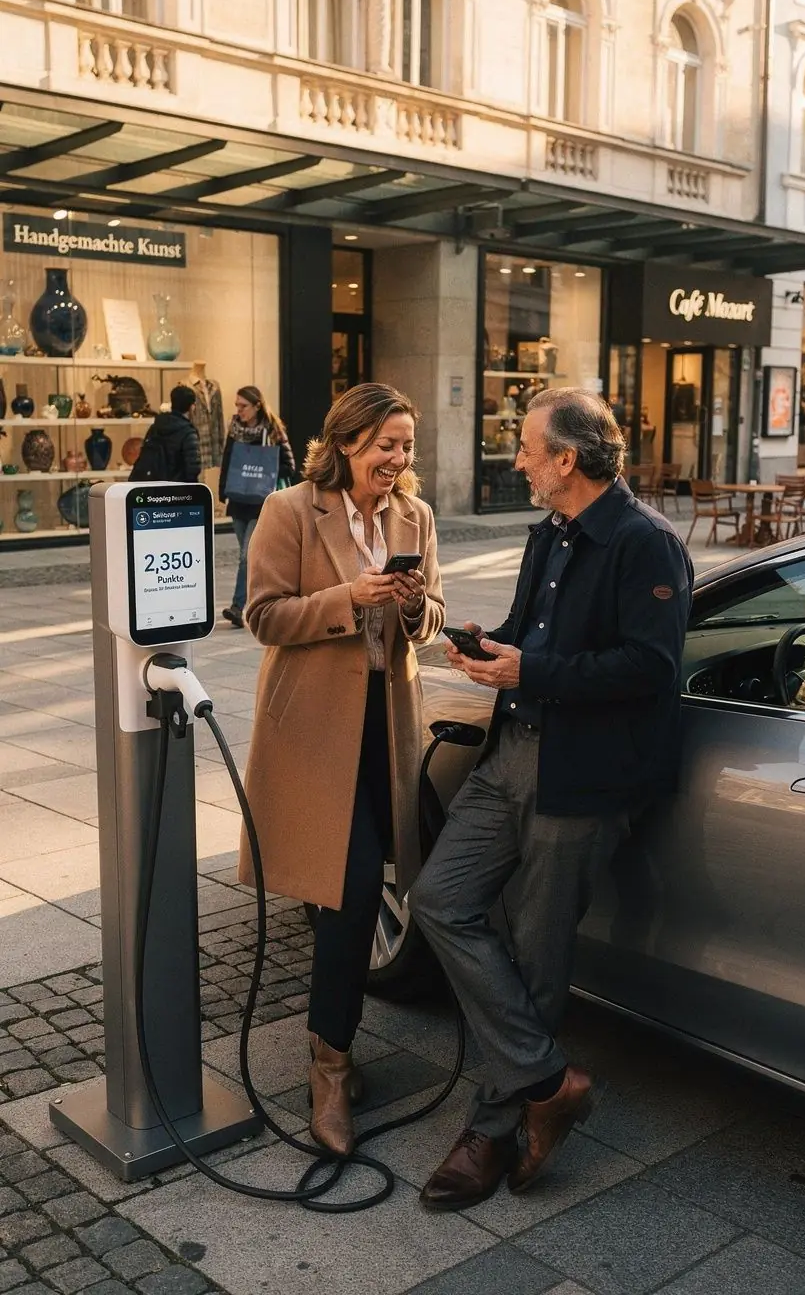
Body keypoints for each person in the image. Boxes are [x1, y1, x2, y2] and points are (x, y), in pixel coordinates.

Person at [411, 387, 692, 1211]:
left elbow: (651, 667)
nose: (520, 462)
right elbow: (536, 636)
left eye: (529, 449)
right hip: (515, 757)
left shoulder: (647, 544)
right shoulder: (550, 535)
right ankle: (547, 1081)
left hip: (587, 777)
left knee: (538, 956)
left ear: (567, 459)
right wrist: (498, 650)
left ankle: (490, 1131)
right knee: (438, 897)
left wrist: (530, 670)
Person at [241, 383, 444, 1156]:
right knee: (353, 889)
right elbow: (263, 616)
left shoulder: (414, 519)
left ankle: (332, 1049)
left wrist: (414, 600)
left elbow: (428, 620)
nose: (398, 459)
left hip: (383, 728)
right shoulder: (291, 510)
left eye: (407, 446)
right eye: (387, 444)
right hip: (314, 734)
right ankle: (330, 1067)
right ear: (349, 441)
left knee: (367, 888)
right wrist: (347, 597)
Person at [218, 387, 296, 628]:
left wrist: (267, 467)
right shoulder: (235, 429)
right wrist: (222, 492)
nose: (238, 410)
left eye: (243, 406)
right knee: (250, 556)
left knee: (246, 556)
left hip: (260, 502)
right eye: (237, 405)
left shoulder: (273, 430)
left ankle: (237, 606)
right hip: (239, 501)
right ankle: (264, 600)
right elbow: (227, 460)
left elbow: (289, 465)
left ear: (257, 406)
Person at [129, 384, 201, 482]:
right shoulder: (188, 432)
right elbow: (193, 469)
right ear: (192, 407)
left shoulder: (156, 426)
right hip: (176, 490)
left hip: (152, 486)